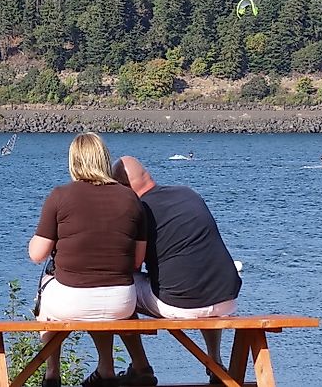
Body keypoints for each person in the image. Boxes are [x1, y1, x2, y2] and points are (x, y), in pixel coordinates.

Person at [111, 157, 242, 386]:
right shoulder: (187, 193)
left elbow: (132, 265)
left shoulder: (137, 211)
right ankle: (215, 362)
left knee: (116, 289)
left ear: (122, 188)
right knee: (200, 277)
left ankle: (141, 368)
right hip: (226, 299)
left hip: (181, 303)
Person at [30, 133, 147, 387]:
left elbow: (37, 255)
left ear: (73, 162)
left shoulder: (60, 196)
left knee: (47, 288)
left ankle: (52, 373)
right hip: (121, 303)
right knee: (100, 297)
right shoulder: (131, 198)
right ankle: (107, 367)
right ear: (104, 159)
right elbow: (138, 261)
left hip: (71, 301)